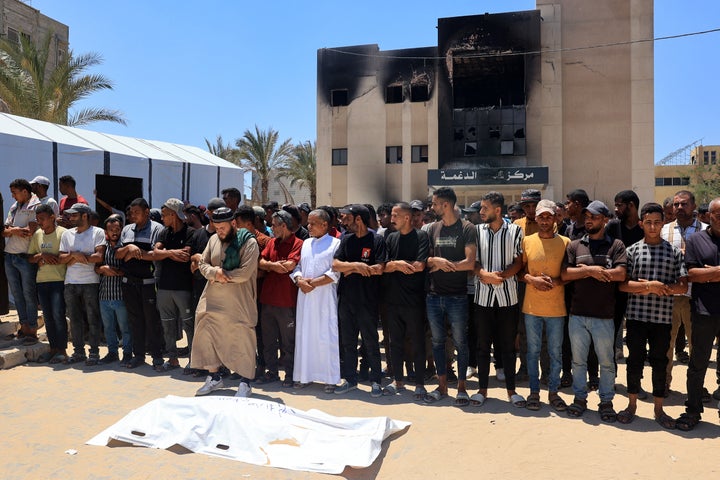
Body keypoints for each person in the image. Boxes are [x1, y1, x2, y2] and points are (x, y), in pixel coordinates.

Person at [617, 202, 687, 428]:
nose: (653, 226)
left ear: (663, 223)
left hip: (663, 319)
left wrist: (662, 287)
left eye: (657, 222)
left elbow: (682, 286)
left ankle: (659, 409)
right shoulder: (632, 251)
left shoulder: (674, 252)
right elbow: (623, 285)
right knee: (634, 362)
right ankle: (632, 405)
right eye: (648, 222)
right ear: (641, 224)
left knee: (660, 362)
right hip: (636, 317)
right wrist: (649, 287)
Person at [562, 200, 626, 422]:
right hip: (577, 314)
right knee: (578, 361)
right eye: (587, 217)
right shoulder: (574, 245)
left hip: (604, 316)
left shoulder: (616, 245)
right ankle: (580, 398)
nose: (589, 220)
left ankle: (606, 401)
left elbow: (620, 274)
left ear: (605, 220)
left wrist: (598, 272)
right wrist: (590, 270)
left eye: (594, 217)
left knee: (606, 362)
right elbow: (565, 275)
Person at [191, 207, 259, 397]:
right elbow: (202, 264)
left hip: (239, 300)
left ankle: (245, 382)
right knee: (205, 330)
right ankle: (214, 377)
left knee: (242, 337)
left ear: (234, 224)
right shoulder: (213, 239)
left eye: (223, 227)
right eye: (216, 227)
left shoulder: (249, 242)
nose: (219, 231)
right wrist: (215, 273)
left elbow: (245, 273)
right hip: (212, 297)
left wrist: (225, 275)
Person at [472, 191, 525, 408]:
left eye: (485, 208)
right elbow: (472, 262)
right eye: (481, 208)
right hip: (482, 298)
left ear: (497, 210)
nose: (481, 211)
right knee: (482, 346)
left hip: (507, 297)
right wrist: (484, 275)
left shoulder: (515, 231)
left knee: (507, 347)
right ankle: (482, 390)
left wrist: (500, 277)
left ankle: (511, 391)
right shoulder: (476, 231)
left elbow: (519, 262)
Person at [423, 187, 475, 405]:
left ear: (445, 205)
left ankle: (461, 387)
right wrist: (435, 261)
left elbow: (470, 263)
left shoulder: (467, 228)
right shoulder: (431, 228)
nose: (432, 207)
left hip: (458, 297)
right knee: (437, 342)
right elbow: (424, 259)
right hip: (434, 296)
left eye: (435, 204)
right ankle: (442, 386)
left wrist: (446, 265)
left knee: (461, 343)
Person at [674, 197, 720, 431]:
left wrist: (709, 274)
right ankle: (693, 410)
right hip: (704, 311)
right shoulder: (696, 240)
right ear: (709, 216)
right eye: (718, 215)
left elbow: (703, 274)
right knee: (698, 363)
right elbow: (692, 274)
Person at [333, 204, 387, 397]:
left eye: (346, 217)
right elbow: (335, 264)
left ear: (358, 219)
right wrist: (356, 266)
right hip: (346, 300)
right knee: (348, 342)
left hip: (368, 301)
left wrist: (349, 269)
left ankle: (375, 381)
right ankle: (350, 379)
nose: (342, 221)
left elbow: (378, 268)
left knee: (370, 342)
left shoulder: (377, 240)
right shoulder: (346, 239)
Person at [521, 199, 570, 412]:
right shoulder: (527, 241)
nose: (544, 220)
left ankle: (553, 392)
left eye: (548, 216)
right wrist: (532, 280)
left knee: (555, 352)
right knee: (532, 351)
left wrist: (555, 282)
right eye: (541, 216)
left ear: (555, 217)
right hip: (531, 307)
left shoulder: (566, 243)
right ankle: (533, 391)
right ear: (536, 218)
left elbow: (570, 273)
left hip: (556, 308)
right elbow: (519, 270)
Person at [661, 190, 706, 396]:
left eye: (684, 204)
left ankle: (696, 388)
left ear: (694, 206)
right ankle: (664, 384)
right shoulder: (664, 231)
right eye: (676, 205)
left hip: (697, 298)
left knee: (697, 347)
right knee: (665, 346)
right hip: (669, 297)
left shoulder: (706, 231)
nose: (679, 208)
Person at [291, 209, 342, 390]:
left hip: (324, 298)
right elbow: (297, 266)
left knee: (325, 336)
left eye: (312, 223)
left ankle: (330, 379)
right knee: (305, 336)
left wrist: (313, 283)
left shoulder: (335, 243)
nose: (308, 226)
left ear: (325, 225)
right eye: (308, 223)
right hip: (304, 297)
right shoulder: (306, 243)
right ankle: (304, 376)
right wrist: (298, 280)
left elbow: (335, 271)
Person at [382, 202, 429, 399]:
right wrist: (397, 264)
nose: (392, 219)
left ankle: (419, 383)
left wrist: (397, 265)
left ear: (407, 218)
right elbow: (383, 266)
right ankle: (398, 380)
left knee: (417, 342)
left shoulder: (421, 236)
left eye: (395, 215)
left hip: (414, 301)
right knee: (395, 343)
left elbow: (419, 265)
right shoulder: (390, 237)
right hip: (392, 301)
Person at [115, 198, 165, 369]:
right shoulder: (127, 229)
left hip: (149, 283)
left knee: (152, 321)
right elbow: (118, 254)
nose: (133, 215)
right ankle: (139, 356)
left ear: (146, 211)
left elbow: (157, 255)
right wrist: (129, 249)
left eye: (137, 212)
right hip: (129, 283)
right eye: (131, 212)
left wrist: (138, 253)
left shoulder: (157, 229)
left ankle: (157, 357)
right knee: (135, 321)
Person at [255, 210, 302, 387]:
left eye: (274, 225)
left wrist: (270, 266)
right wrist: (273, 265)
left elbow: (289, 266)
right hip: (267, 300)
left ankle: (290, 374)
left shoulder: (298, 243)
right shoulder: (272, 242)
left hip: (286, 301)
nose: (271, 228)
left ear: (284, 226)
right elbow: (261, 262)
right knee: (268, 340)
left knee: (288, 342)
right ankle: (272, 372)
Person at [58, 203, 106, 365]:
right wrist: (75, 255)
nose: (70, 218)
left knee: (93, 318)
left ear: (84, 216)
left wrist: (73, 258)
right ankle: (79, 352)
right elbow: (61, 259)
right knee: (75, 319)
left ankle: (94, 353)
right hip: (70, 283)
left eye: (73, 215)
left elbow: (99, 257)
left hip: (90, 282)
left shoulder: (97, 232)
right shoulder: (67, 234)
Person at [154, 198, 196, 372]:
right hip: (164, 286)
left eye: (164, 215)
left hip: (183, 287)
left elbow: (185, 255)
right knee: (167, 325)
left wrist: (165, 253)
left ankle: (194, 360)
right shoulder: (164, 232)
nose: (162, 218)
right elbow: (156, 252)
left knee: (189, 325)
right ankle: (172, 359)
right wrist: (172, 253)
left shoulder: (191, 233)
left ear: (173, 214)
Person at [27, 204, 67, 362]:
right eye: (37, 220)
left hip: (59, 281)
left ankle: (62, 350)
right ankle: (53, 348)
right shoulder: (37, 234)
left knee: (58, 315)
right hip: (41, 282)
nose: (40, 222)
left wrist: (50, 257)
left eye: (42, 219)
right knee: (48, 317)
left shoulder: (63, 233)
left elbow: (66, 256)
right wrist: (41, 255)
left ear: (52, 217)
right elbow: (29, 258)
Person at [3, 179, 40, 342]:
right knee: (17, 294)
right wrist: (15, 231)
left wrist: (13, 231)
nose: (12, 196)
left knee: (28, 294)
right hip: (10, 255)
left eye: (15, 192)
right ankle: (23, 327)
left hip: (25, 256)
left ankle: (32, 328)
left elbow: (30, 231)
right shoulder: (14, 206)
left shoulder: (35, 206)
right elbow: (4, 231)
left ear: (25, 191)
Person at [96, 215, 132, 366]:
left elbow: (129, 270)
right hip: (104, 295)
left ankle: (128, 354)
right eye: (111, 230)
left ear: (121, 229)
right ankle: (112, 353)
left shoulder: (124, 246)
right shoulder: (102, 247)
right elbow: (96, 268)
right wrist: (102, 269)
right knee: (108, 328)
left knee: (125, 328)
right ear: (106, 232)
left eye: (117, 229)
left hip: (120, 295)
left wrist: (113, 270)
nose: (114, 232)